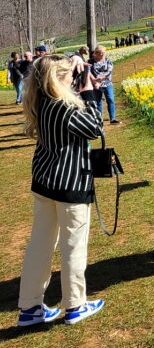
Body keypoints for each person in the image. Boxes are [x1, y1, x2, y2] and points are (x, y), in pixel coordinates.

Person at [17, 54, 105, 327]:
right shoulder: (64, 107)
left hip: (45, 181)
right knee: (73, 246)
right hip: (70, 183)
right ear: (59, 79)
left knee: (39, 246)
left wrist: (80, 84)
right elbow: (95, 128)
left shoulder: (40, 101)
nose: (73, 80)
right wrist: (90, 94)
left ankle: (30, 307)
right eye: (69, 76)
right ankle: (75, 305)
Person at [88, 45, 121, 125]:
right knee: (98, 101)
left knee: (110, 99)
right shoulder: (90, 61)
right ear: (96, 53)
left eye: (103, 53)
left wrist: (102, 77)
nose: (102, 54)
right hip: (96, 84)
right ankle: (100, 120)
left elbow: (109, 71)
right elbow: (88, 71)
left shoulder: (108, 61)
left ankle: (112, 119)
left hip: (107, 83)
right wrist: (94, 80)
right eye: (99, 53)